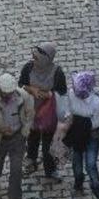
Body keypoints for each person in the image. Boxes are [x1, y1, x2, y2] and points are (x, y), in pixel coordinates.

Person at [18, 43, 67, 180]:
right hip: (31, 110)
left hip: (49, 113)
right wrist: (32, 90)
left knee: (48, 142)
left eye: (37, 58)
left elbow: (62, 93)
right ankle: (31, 158)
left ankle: (50, 169)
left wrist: (49, 95)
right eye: (34, 57)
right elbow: (21, 84)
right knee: (32, 136)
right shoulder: (28, 68)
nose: (34, 60)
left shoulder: (57, 73)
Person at [63, 71, 99, 199]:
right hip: (76, 133)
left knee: (91, 164)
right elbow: (68, 110)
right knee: (76, 160)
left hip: (91, 136)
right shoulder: (71, 94)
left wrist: (80, 122)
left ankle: (98, 191)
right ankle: (78, 182)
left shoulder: (97, 102)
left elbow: (96, 123)